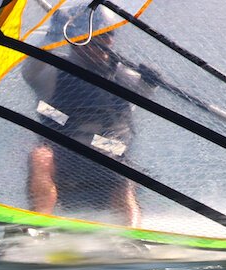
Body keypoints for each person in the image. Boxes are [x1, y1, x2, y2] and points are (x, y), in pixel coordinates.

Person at [28, 6, 147, 228]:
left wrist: (149, 82)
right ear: (78, 38)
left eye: (109, 35)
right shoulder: (53, 71)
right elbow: (30, 69)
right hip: (64, 154)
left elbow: (142, 95)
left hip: (108, 153)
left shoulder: (123, 74)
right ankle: (37, 226)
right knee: (40, 156)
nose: (106, 42)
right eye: (99, 35)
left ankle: (131, 232)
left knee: (120, 165)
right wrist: (53, 34)